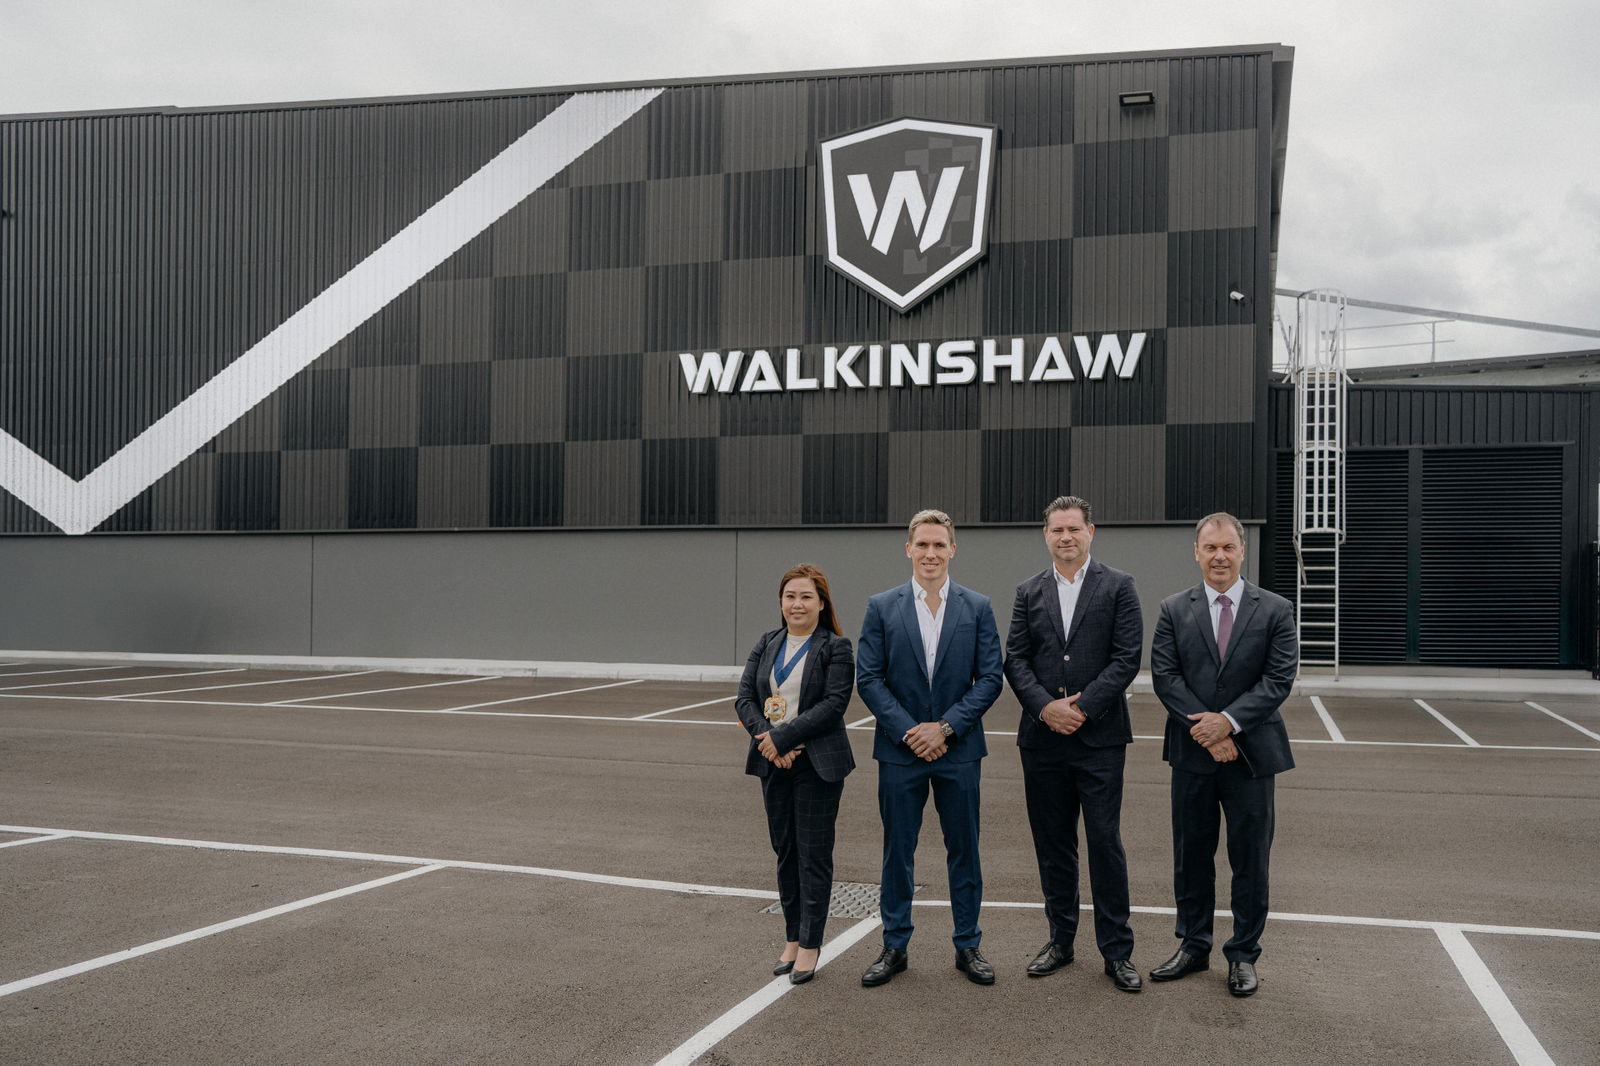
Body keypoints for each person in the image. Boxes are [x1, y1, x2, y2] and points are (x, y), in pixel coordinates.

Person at [1149, 512, 1298, 997]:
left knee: (1250, 858)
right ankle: (1193, 946)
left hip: (1252, 757)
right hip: (1193, 753)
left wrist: (1229, 722)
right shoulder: (1174, 609)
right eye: (1210, 547)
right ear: (1196, 552)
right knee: (1191, 855)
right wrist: (1210, 732)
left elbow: (1278, 679)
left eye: (1228, 547)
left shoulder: (1275, 609)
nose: (1219, 556)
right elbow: (1166, 677)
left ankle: (1243, 954)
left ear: (1241, 551)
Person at [856, 509, 1003, 987]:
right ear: (908, 549)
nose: (931, 553)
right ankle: (894, 945)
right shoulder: (882, 606)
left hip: (959, 752)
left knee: (965, 851)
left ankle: (968, 945)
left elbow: (991, 678)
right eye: (922, 544)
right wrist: (910, 732)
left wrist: (945, 728)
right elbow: (869, 678)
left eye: (940, 545)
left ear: (952, 549)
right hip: (900, 753)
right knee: (898, 852)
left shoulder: (977, 606)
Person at [1003, 495, 1144, 992]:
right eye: (1057, 530)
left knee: (1104, 842)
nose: (1066, 537)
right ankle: (1060, 941)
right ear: (1046, 535)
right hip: (1042, 741)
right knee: (1053, 844)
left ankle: (1117, 951)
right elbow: (1016, 658)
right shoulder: (1028, 591)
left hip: (1100, 739)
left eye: (1074, 529)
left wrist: (1081, 710)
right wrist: (1046, 708)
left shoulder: (1119, 586)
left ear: (1090, 532)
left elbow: (1127, 657)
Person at [734, 563, 857, 985]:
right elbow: (745, 698)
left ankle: (810, 944)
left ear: (821, 604)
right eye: (790, 596)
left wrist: (784, 738)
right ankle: (791, 937)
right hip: (773, 761)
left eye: (806, 597)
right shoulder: (766, 642)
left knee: (813, 856)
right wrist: (769, 740)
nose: (797, 604)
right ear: (781, 602)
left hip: (816, 765)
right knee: (785, 852)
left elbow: (834, 704)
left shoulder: (836, 647)